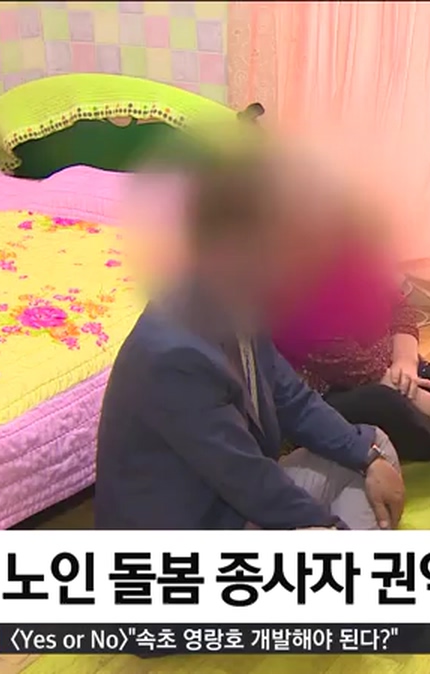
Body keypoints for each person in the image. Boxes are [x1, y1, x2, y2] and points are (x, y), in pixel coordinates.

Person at [95, 143, 406, 531]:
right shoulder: (174, 355)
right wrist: (327, 528)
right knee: (353, 487)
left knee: (376, 451)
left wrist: (367, 456)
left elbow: (293, 401)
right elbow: (245, 478)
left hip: (231, 498)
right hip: (196, 524)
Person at [271, 184, 430, 473]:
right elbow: (352, 368)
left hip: (396, 374)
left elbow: (401, 308)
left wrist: (406, 363)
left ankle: (428, 437)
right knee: (385, 403)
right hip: (337, 393)